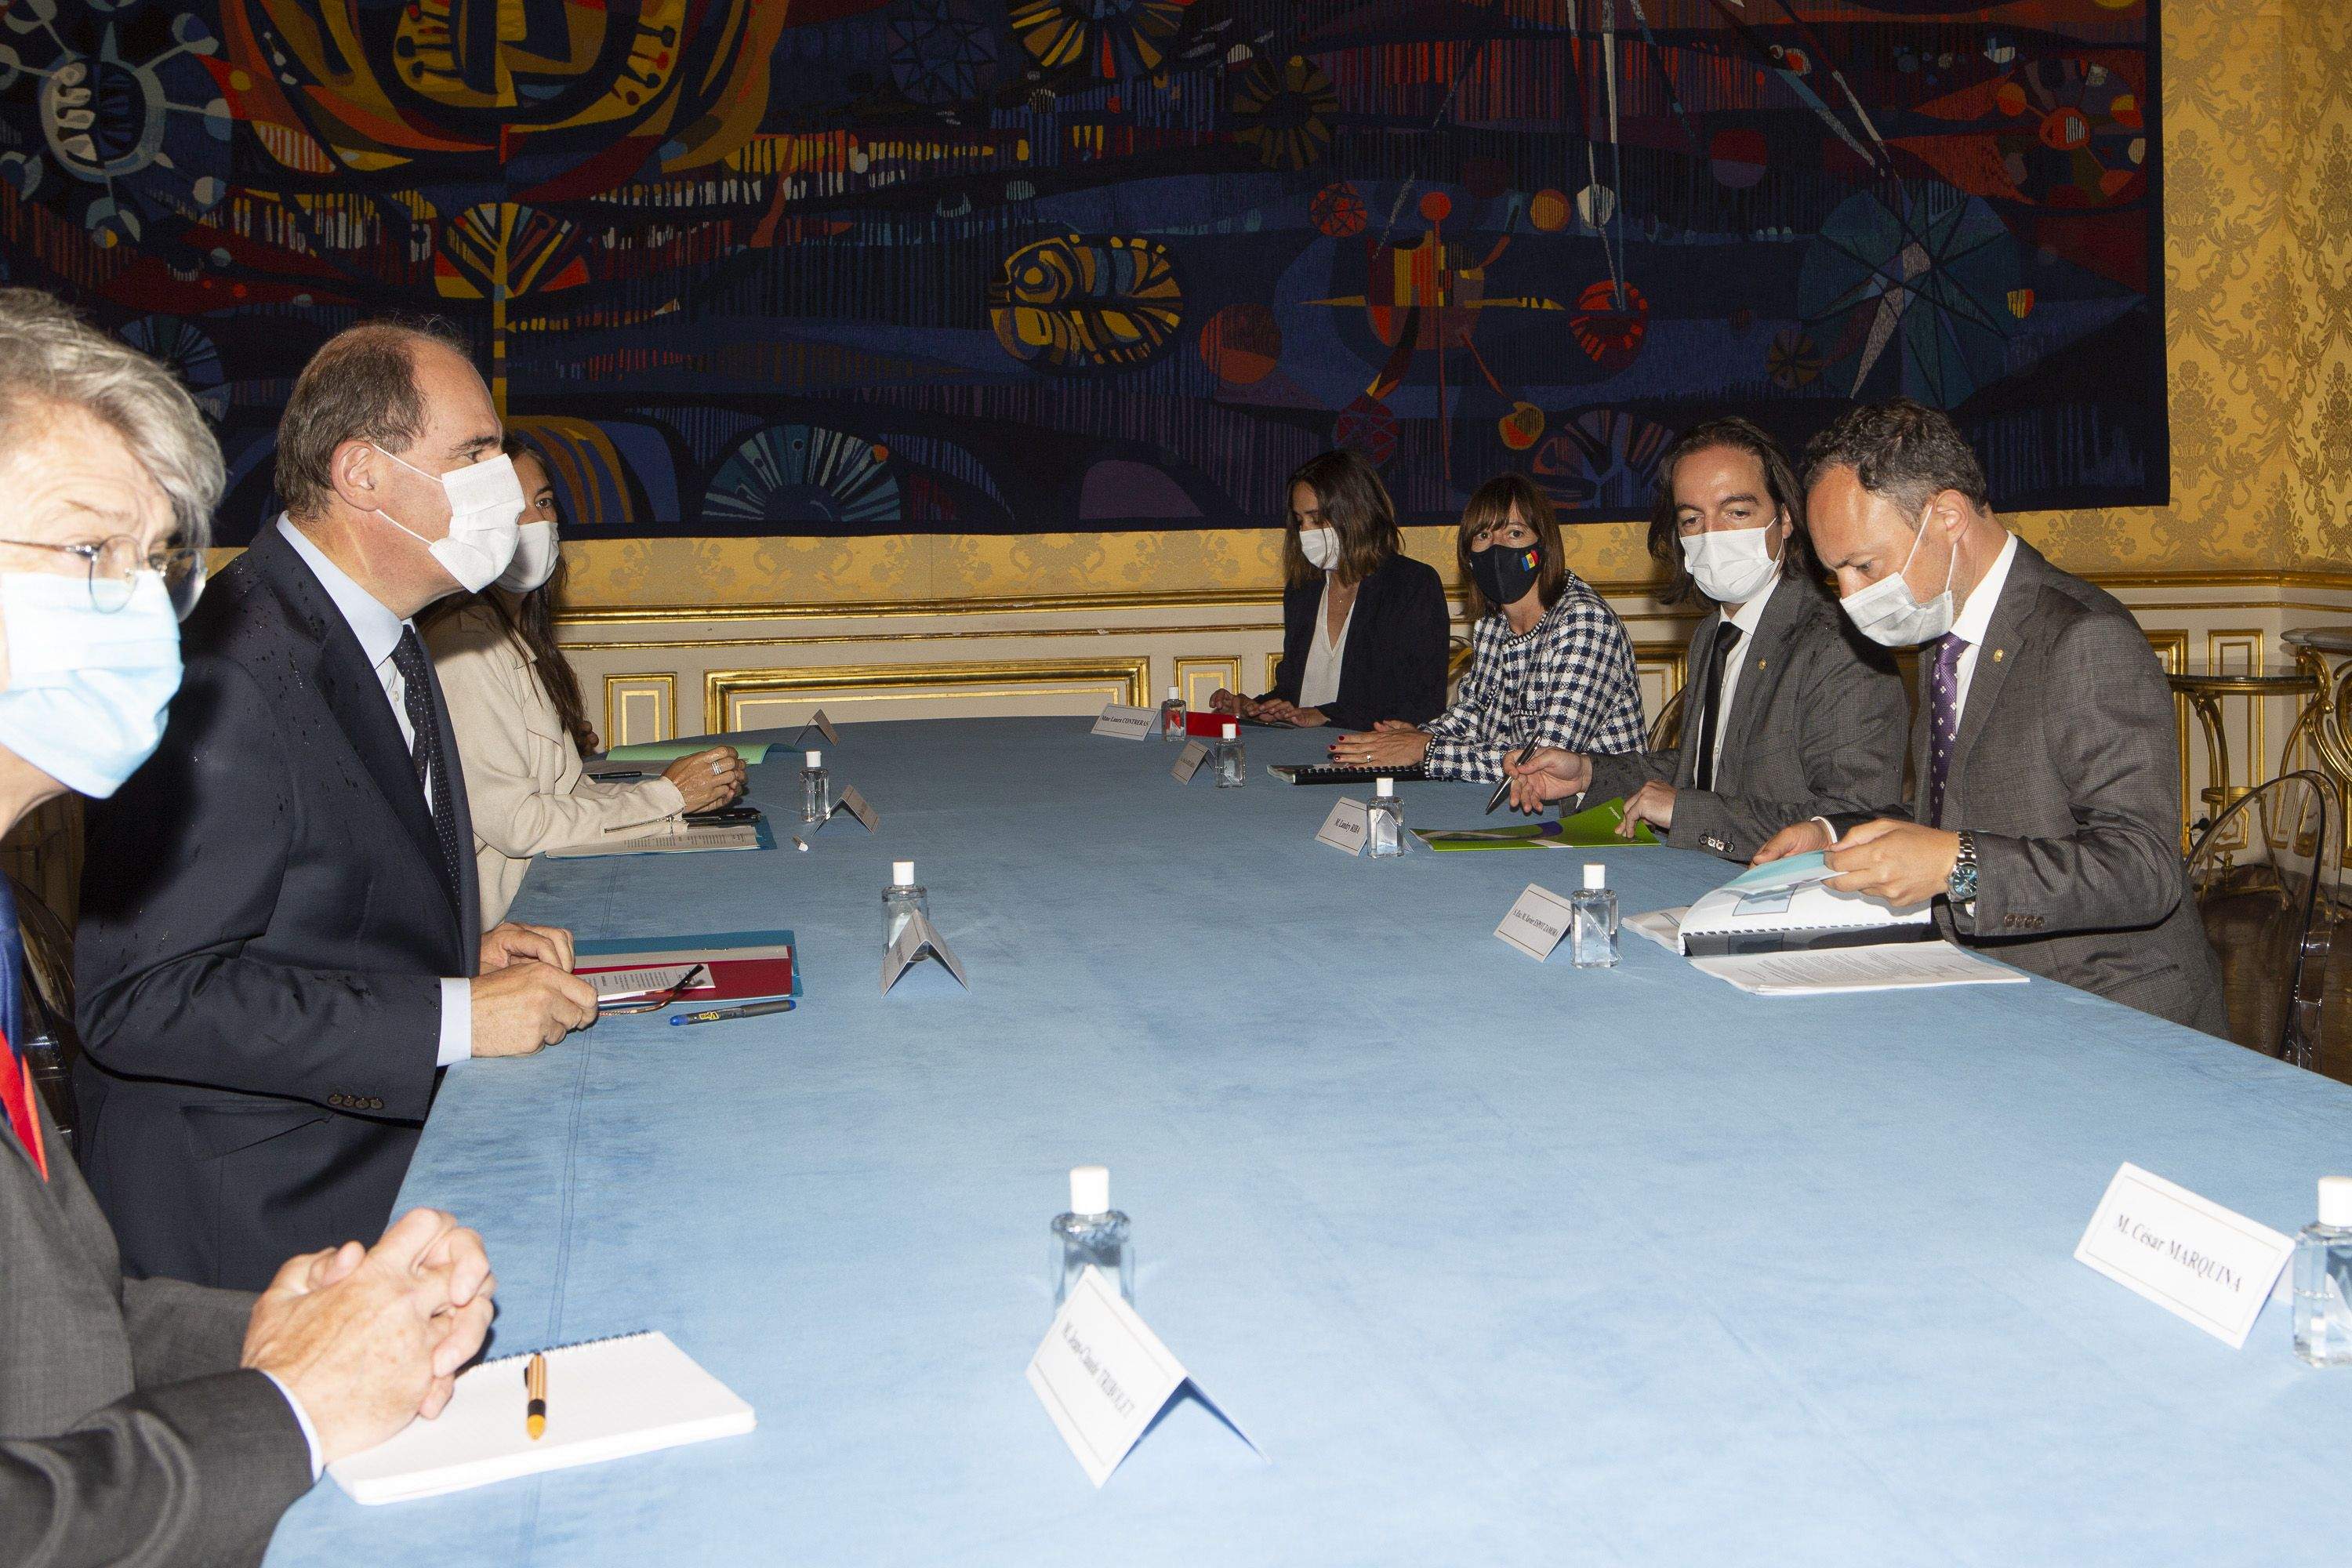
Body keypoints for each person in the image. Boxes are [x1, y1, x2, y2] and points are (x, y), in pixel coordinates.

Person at [0, 288, 497, 1568]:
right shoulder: (253, 655)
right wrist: (282, 1403)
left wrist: (284, 1336)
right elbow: (146, 994)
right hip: (254, 1184)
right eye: (91, 555)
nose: (148, 616)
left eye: (159, 560)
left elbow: (62, 1323)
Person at [74, 319, 602, 1293]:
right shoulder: (228, 669)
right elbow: (142, 997)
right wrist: (453, 1013)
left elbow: (311, 884)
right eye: (475, 453)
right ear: (364, 473)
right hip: (264, 1214)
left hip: (350, 1147)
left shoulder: (377, 628)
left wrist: (452, 948)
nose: (500, 483)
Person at [1751, 398, 2227, 1033]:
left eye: (1865, 565)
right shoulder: (1942, 633)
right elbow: (1960, 820)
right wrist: (1833, 837)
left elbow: (2144, 869)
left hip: (2115, 1008)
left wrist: (1957, 865)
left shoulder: (2083, 639)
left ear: (1946, 516)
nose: (1850, 598)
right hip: (1994, 991)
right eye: (1836, 574)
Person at [1501, 417, 1909, 858]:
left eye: (1736, 512)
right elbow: (1711, 769)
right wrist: (1586, 773)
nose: (1712, 535)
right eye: (1692, 519)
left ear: (1786, 517)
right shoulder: (1714, 633)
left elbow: (1852, 820)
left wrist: (1687, 812)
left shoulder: (1838, 647)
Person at [428, 435, 746, 928]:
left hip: (544, 889)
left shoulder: (509, 637)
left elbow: (570, 794)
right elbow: (519, 825)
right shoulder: (463, 648)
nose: (538, 524)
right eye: (514, 509)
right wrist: (667, 796)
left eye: (544, 503)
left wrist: (682, 797)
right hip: (503, 923)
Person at [1327, 473, 1642, 779]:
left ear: (1543, 548)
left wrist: (1426, 749)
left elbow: (1542, 763)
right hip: (1514, 806)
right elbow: (1472, 714)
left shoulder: (1586, 624)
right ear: (1468, 555)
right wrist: (1410, 738)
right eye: (1483, 536)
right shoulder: (1492, 623)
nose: (1496, 547)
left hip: (1599, 815)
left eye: (1515, 533)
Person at [1209, 449, 1448, 730]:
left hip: (1372, 755)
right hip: (1303, 751)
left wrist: (1327, 715)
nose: (1306, 532)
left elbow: (1421, 704)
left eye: (1317, 519)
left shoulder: (1412, 585)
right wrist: (1255, 707)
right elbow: (1296, 693)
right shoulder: (1304, 590)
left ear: (1357, 513)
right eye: (1300, 522)